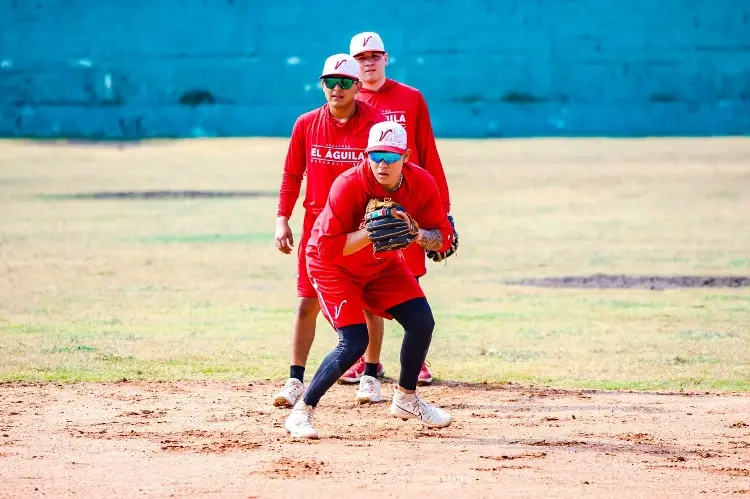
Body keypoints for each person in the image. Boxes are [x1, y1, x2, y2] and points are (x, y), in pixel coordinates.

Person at [284, 121, 455, 439]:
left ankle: (406, 398)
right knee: (353, 342)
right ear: (366, 155)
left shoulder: (421, 183)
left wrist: (416, 232)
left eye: (390, 157)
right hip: (332, 266)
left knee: (421, 322)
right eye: (375, 155)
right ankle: (301, 412)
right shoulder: (348, 184)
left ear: (405, 156)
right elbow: (328, 247)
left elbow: (443, 237)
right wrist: (371, 232)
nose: (382, 164)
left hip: (382, 266)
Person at [336, 31, 454, 389]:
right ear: (352, 64)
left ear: (386, 58)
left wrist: (443, 213)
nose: (368, 62)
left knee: (409, 276)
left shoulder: (411, 98)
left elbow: (427, 152)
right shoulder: (348, 101)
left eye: (374, 56)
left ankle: (414, 357)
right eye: (361, 57)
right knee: (365, 279)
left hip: (410, 201)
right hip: (364, 202)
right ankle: (363, 358)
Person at [272, 53, 387, 408]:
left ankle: (370, 375)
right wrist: (282, 218)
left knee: (371, 303)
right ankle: (294, 380)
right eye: (330, 82)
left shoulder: (375, 123)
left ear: (356, 86)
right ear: (322, 85)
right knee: (306, 302)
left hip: (362, 230)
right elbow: (292, 175)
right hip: (318, 232)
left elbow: (390, 168)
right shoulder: (306, 124)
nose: (337, 89)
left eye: (345, 82)